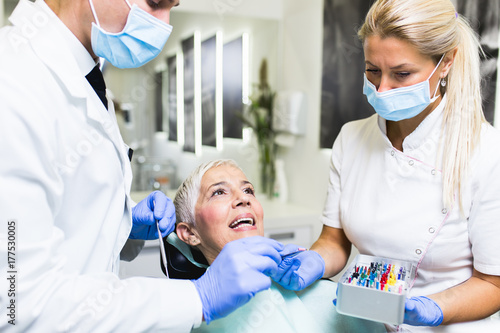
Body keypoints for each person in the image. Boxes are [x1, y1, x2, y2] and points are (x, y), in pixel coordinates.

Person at [0, 1, 284, 331]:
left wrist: (122, 222)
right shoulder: (13, 82)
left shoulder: (85, 78)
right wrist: (196, 298)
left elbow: (66, 219)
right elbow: (15, 303)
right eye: (155, 2)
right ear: (187, 233)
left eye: (172, 7)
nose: (164, 24)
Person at [272, 0, 500, 332]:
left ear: (447, 62)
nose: (382, 89)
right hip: (368, 321)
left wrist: (434, 308)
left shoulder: (485, 151)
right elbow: (335, 242)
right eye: (372, 71)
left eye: (402, 74)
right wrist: (314, 261)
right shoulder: (351, 139)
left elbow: (493, 284)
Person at [169, 159, 387, 332]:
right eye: (218, 192)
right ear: (189, 233)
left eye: (248, 191)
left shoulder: (322, 291)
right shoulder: (191, 316)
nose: (243, 199)